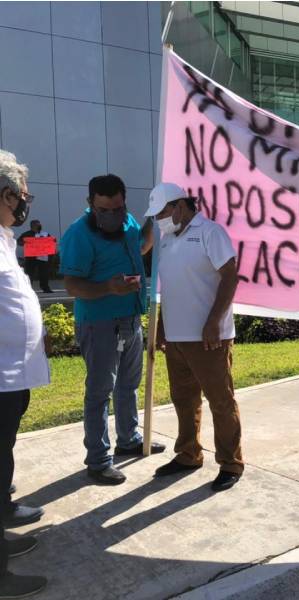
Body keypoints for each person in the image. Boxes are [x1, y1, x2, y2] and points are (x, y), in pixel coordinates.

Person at [59, 174, 165, 486]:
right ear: (90, 204)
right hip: (99, 324)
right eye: (104, 210)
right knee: (99, 392)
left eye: (118, 208)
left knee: (129, 384)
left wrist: (154, 223)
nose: (112, 216)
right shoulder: (79, 234)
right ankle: (98, 459)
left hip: (131, 319)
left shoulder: (129, 222)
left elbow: (141, 246)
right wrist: (109, 287)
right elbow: (72, 285)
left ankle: (129, 439)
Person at [146, 183, 243, 492]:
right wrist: (162, 325)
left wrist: (214, 321)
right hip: (176, 337)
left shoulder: (210, 232)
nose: (158, 219)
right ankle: (189, 454)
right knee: (184, 400)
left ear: (180, 206)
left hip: (208, 338)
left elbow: (230, 274)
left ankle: (231, 463)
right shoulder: (166, 238)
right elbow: (170, 286)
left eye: (162, 212)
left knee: (220, 401)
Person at [0, 149, 48, 598]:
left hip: (10, 376)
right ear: (7, 194)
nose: (25, 205)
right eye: (22, 197)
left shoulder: (5, 237)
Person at [17, 221, 53, 293]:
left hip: (42, 257)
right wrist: (24, 242)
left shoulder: (45, 234)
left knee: (44, 273)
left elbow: (51, 241)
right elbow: (19, 242)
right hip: (31, 257)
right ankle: (28, 289)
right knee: (29, 273)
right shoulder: (26, 234)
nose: (39, 225)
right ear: (32, 225)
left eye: (40, 224)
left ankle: (45, 288)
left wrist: (52, 242)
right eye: (37, 224)